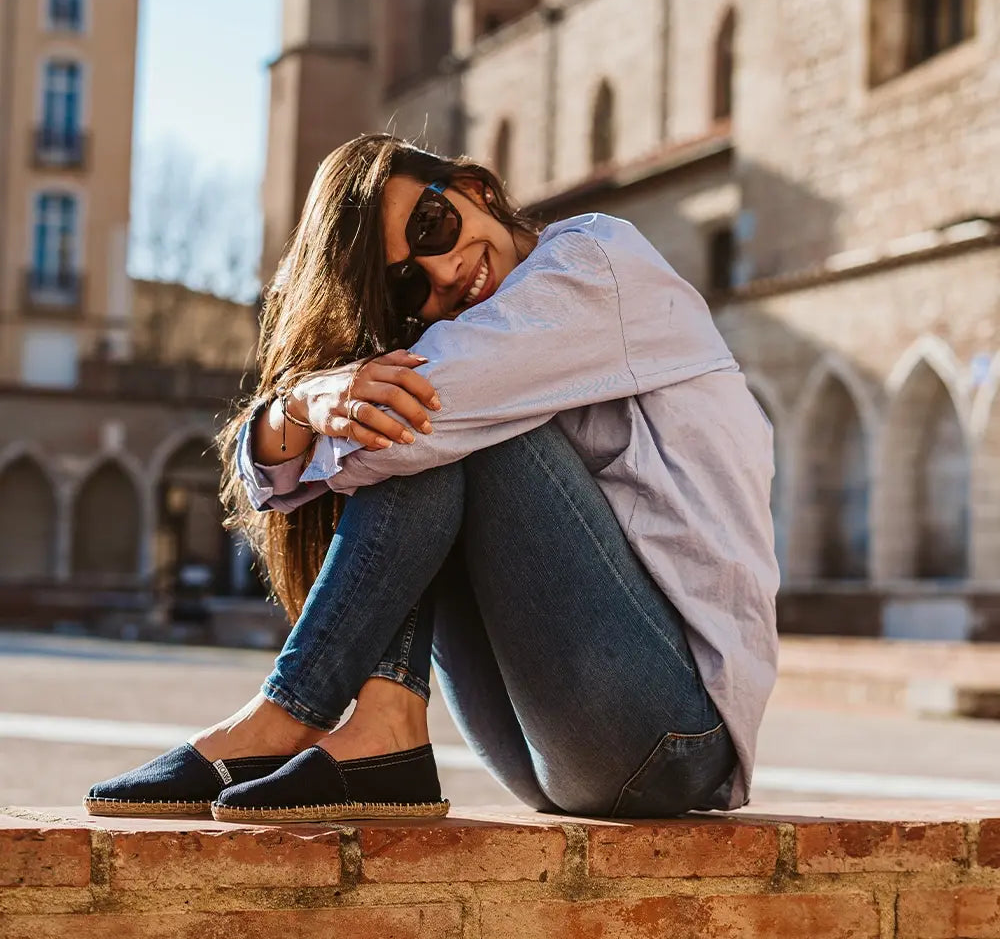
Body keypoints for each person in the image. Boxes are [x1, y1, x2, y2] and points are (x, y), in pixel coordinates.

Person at [86, 133, 779, 823]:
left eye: (431, 224)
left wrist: (312, 418)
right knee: (425, 407)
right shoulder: (470, 338)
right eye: (407, 282)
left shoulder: (596, 263)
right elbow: (300, 460)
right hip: (547, 748)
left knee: (430, 419)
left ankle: (291, 710)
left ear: (475, 187)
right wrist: (304, 399)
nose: (444, 272)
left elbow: (391, 436)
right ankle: (387, 722)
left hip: (676, 732)